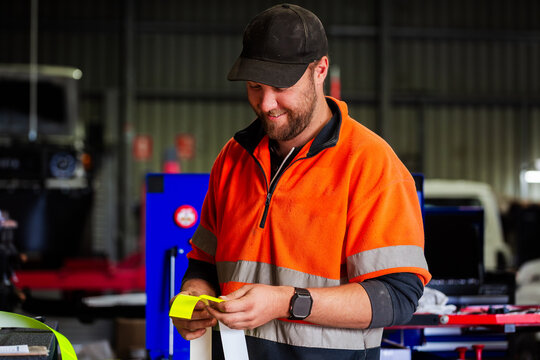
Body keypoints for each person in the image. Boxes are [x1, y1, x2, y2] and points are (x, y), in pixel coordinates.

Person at [172, 3, 431, 359]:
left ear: (319, 69)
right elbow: (204, 263)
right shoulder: (232, 158)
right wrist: (193, 296)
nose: (266, 104)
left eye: (281, 86)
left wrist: (286, 302)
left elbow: (398, 297)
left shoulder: (370, 164)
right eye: (254, 86)